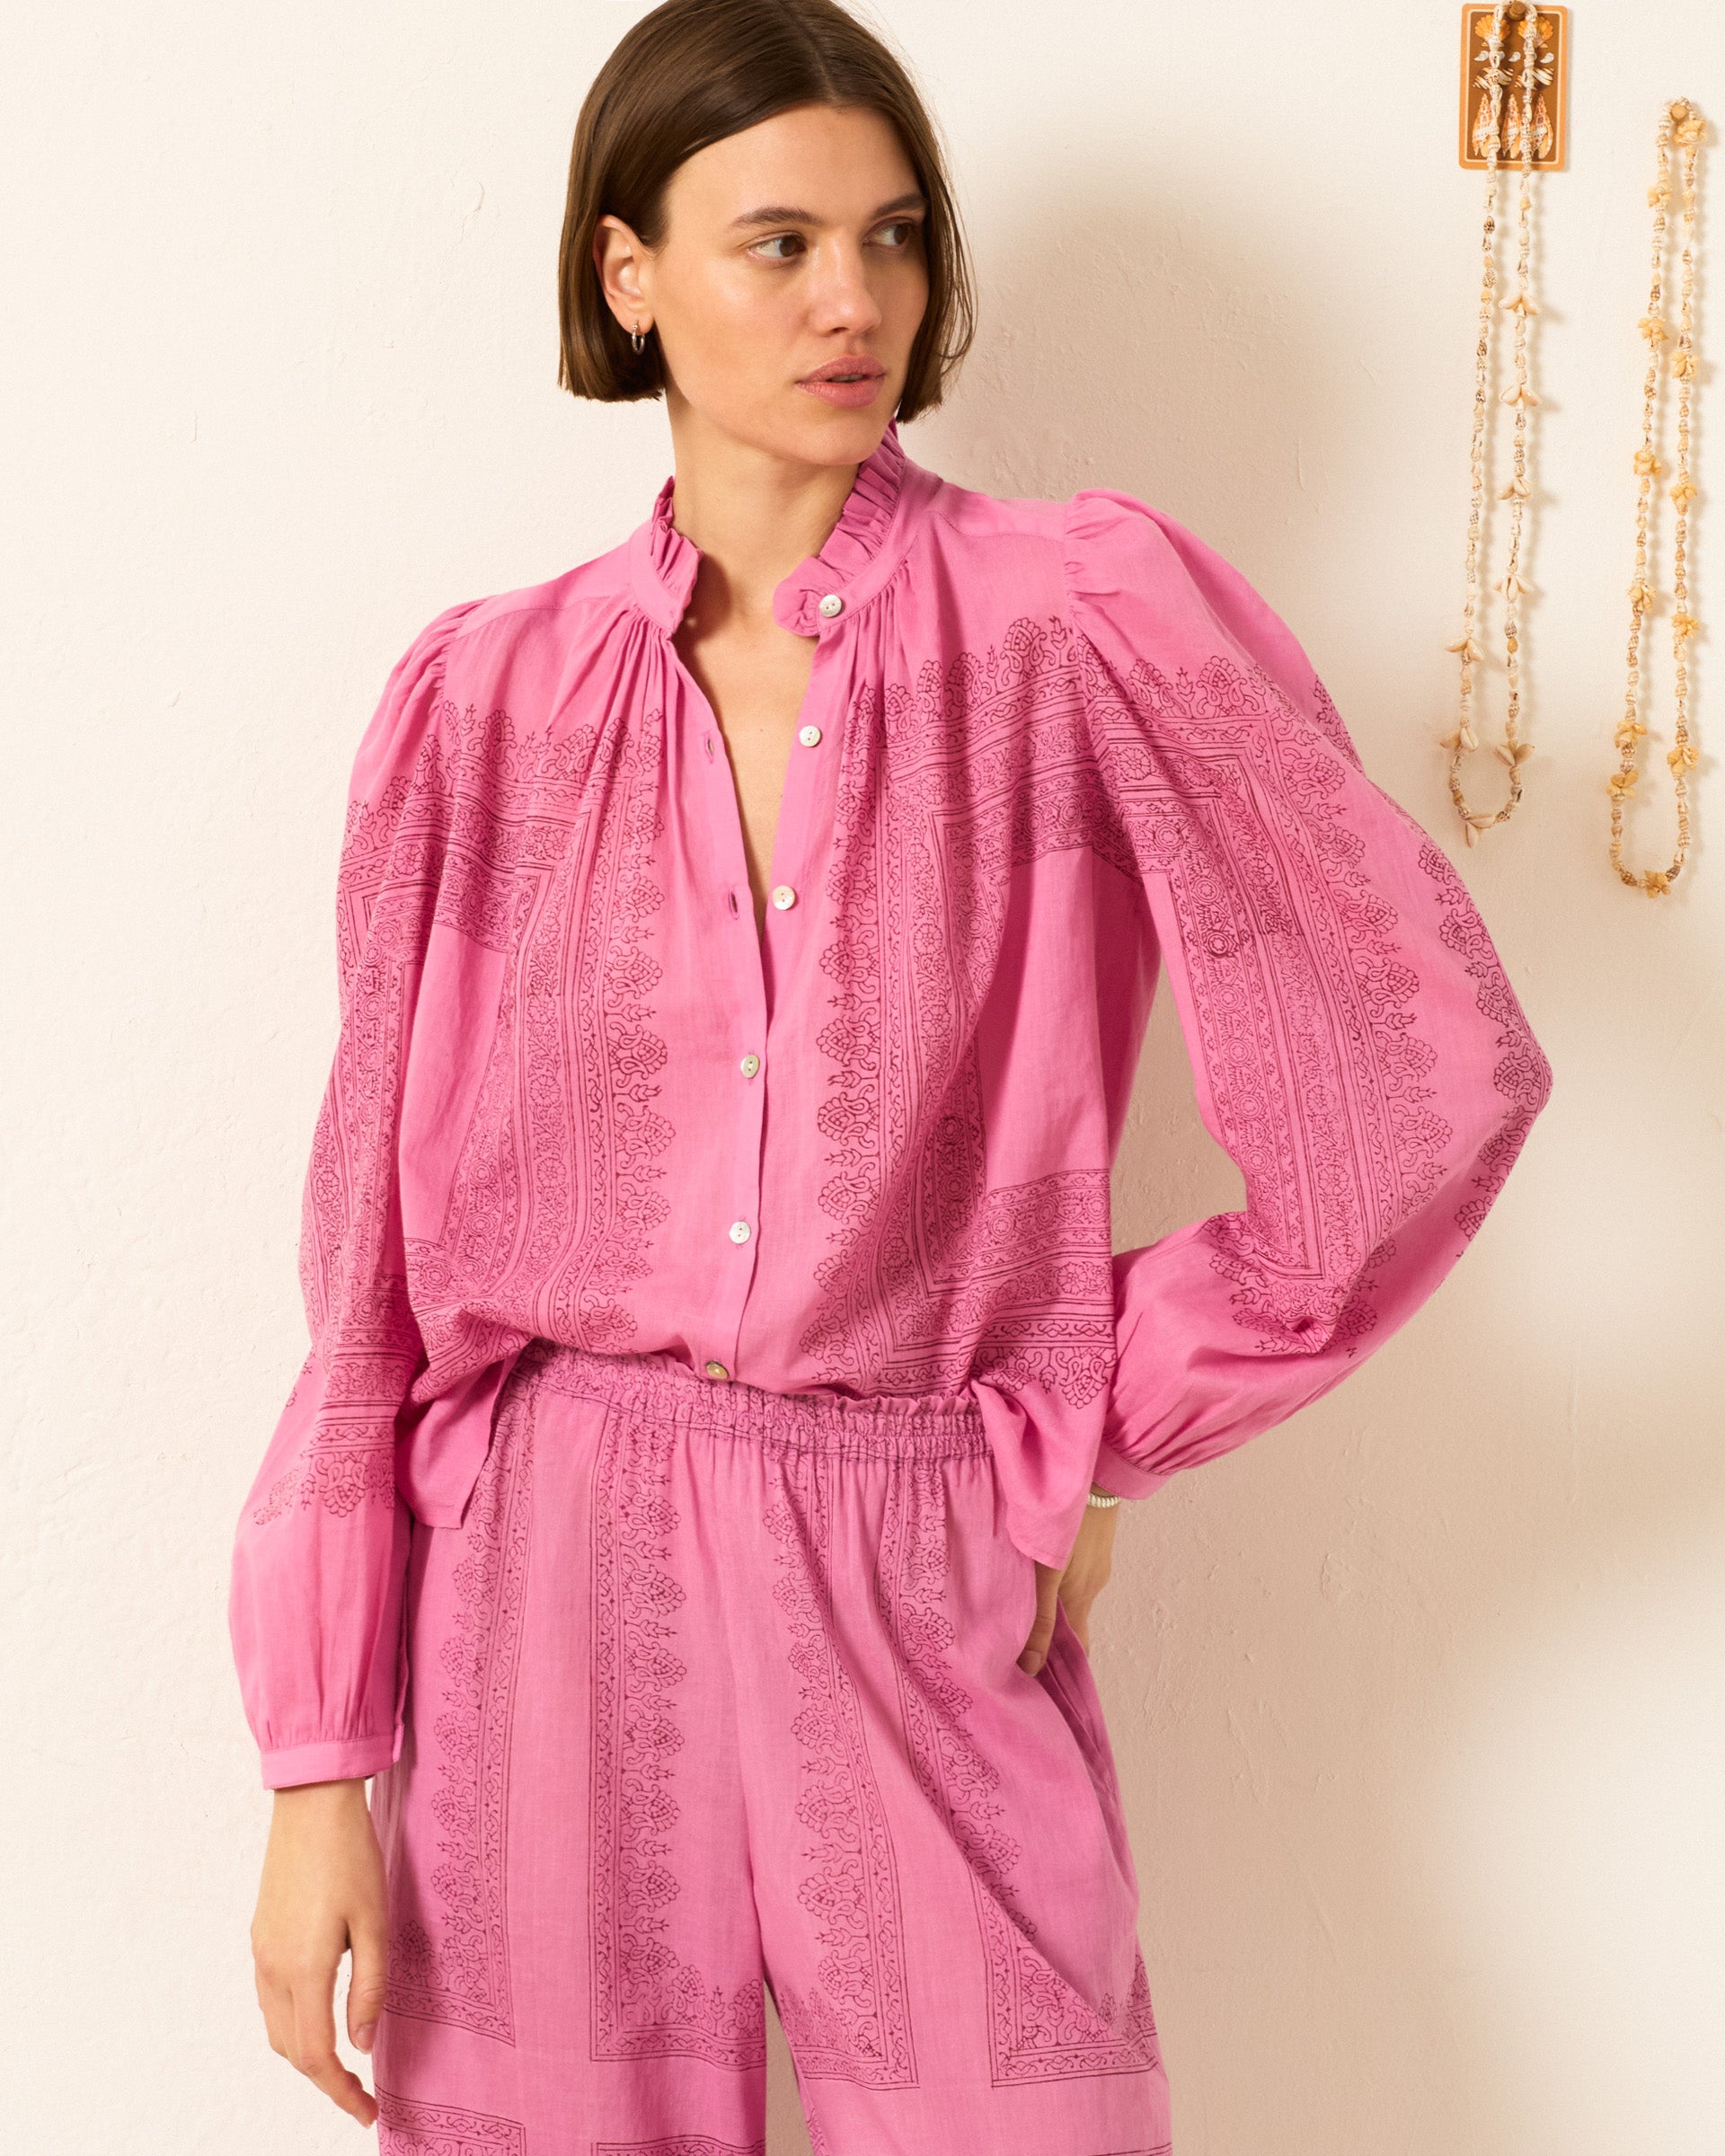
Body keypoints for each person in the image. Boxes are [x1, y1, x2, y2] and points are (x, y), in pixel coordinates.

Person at [230, 3, 1554, 2151]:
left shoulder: (1077, 623)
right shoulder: (485, 703)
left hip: (923, 1539)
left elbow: (1419, 1070)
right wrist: (318, 1765)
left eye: (895, 237)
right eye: (779, 243)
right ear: (627, 272)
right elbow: (368, 1265)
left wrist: (1095, 1421)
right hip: (547, 1568)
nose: (854, 301)